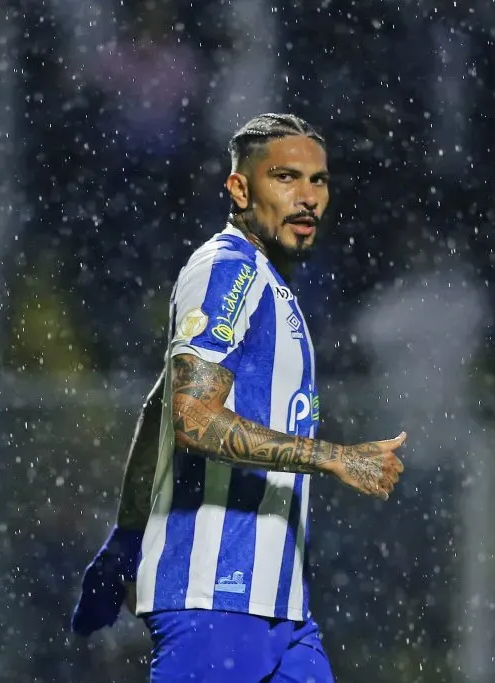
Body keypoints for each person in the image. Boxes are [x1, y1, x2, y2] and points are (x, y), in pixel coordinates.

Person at [71, 113, 407, 683]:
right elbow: (191, 418)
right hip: (217, 597)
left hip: (281, 607)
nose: (307, 198)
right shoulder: (229, 270)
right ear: (239, 188)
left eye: (318, 181)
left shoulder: (271, 283)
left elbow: (159, 407)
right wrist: (331, 456)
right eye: (285, 178)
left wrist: (126, 538)